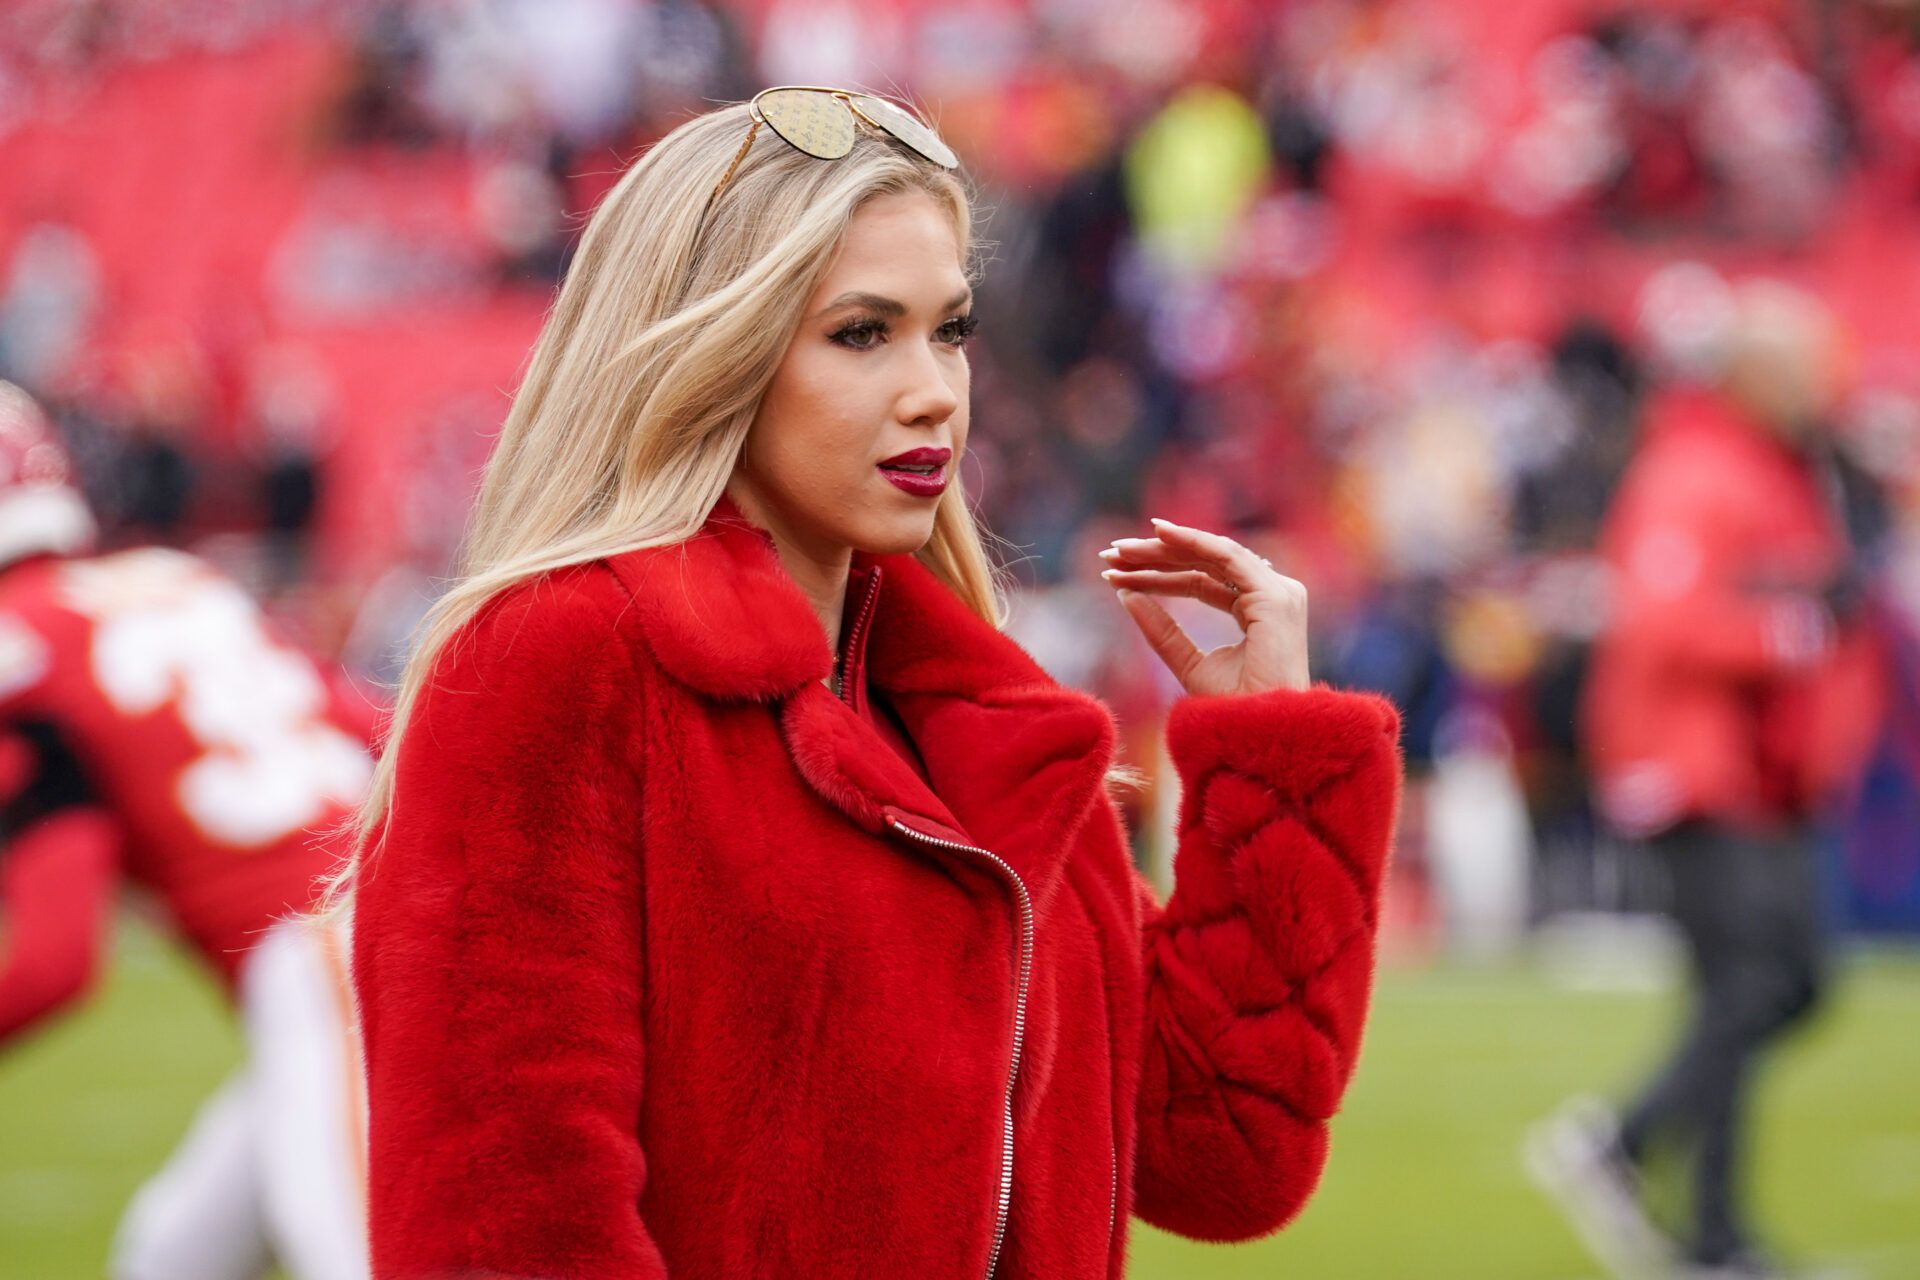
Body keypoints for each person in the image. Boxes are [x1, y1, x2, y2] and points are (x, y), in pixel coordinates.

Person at [336, 85, 1405, 1279]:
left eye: (949, 329)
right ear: (711, 348)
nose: (934, 390)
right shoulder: (558, 658)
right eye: (861, 332)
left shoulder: (993, 726)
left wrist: (1267, 741)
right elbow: (504, 1220)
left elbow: (1221, 1145)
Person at [1526, 281, 1884, 1280]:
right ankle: (1678, 1193)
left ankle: (1661, 1174)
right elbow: (1663, 620)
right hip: (1689, 760)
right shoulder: (1695, 468)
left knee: (1776, 983)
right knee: (1751, 982)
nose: (1824, 386)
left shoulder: (1776, 469)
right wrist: (1797, 628)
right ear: (1753, 374)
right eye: (1803, 367)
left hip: (1752, 769)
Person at [0, 379, 376, 1280]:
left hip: (329, 948)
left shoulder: (21, 646)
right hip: (390, 907)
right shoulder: (180, 576)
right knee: (171, 1256)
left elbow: (55, 958)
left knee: (359, 1255)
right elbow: (372, 732)